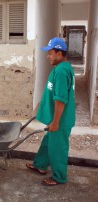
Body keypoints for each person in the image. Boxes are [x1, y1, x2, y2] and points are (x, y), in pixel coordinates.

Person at [26, 38, 76, 186]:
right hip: (57, 118)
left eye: (50, 53)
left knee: (58, 148)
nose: (47, 56)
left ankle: (59, 177)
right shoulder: (62, 67)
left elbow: (60, 100)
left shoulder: (61, 71)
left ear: (59, 53)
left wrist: (55, 123)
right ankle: (40, 165)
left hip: (60, 120)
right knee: (48, 142)